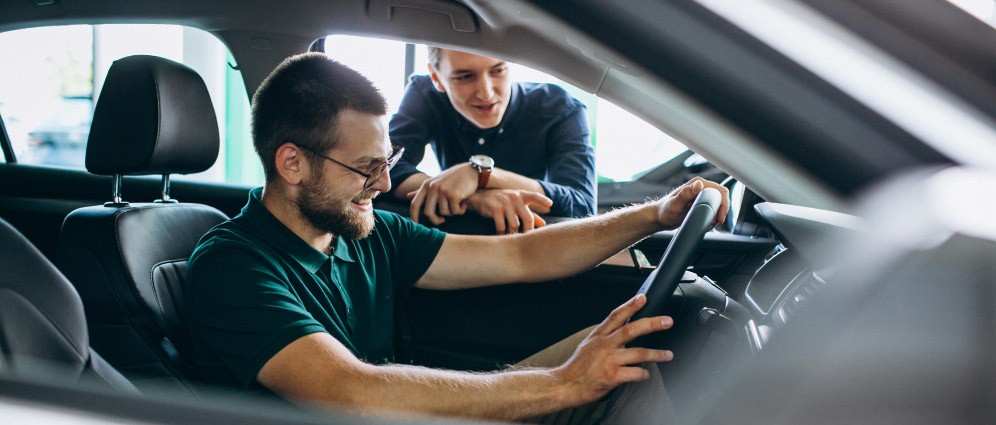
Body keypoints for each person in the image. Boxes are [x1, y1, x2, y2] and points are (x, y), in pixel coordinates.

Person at [185, 52, 729, 424]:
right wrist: (564, 384)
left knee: (624, 350)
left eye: (388, 162)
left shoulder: (363, 233)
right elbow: (352, 392)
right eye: (365, 168)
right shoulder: (234, 266)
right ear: (292, 163)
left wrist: (656, 213)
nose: (384, 183)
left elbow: (522, 254)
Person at [388, 47, 596, 234]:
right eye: (465, 77)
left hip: (533, 244)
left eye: (498, 71)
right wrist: (473, 199)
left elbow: (582, 206)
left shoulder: (560, 108)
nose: (486, 94)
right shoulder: (425, 94)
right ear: (436, 78)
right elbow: (383, 169)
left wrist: (481, 175)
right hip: (456, 240)